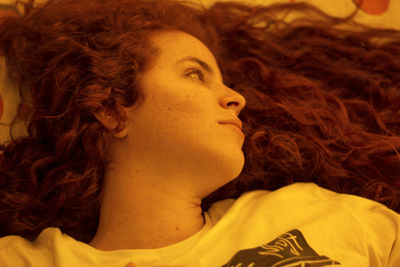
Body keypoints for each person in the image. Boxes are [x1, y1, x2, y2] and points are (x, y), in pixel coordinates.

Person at [0, 0, 398, 266]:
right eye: (195, 74)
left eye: (223, 81)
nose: (236, 98)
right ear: (111, 109)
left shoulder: (314, 212)